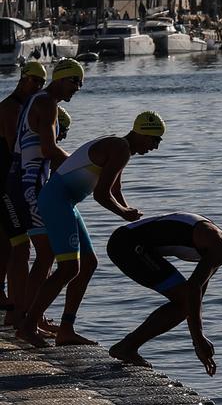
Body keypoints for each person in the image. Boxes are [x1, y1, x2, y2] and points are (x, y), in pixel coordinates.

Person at [19, 111, 164, 345]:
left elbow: (115, 190)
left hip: (65, 202)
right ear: (142, 133)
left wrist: (130, 214)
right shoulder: (120, 149)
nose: (155, 147)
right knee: (68, 267)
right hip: (56, 200)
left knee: (88, 263)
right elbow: (101, 194)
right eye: (154, 140)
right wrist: (123, 213)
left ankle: (66, 329)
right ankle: (28, 326)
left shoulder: (120, 147)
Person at [105, 214, 222, 371]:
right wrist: (198, 339)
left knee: (186, 303)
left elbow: (198, 295)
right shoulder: (220, 248)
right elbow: (192, 291)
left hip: (128, 240)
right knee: (184, 302)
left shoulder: (219, 246)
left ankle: (127, 346)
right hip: (127, 245)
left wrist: (198, 342)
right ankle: (126, 347)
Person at [9, 57, 83, 342]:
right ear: (63, 79)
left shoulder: (37, 100)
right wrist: (81, 168)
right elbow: (50, 149)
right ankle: (27, 323)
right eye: (76, 83)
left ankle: (30, 319)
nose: (77, 90)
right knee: (47, 254)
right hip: (28, 185)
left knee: (45, 255)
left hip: (24, 182)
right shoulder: (48, 103)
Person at [0, 60, 47, 313]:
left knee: (8, 243)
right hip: (5, 183)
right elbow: (13, 148)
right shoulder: (11, 108)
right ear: (22, 78)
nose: (37, 87)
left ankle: (12, 301)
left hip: (9, 182)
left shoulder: (23, 107)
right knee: (20, 245)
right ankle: (20, 309)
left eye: (41, 83)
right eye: (34, 81)